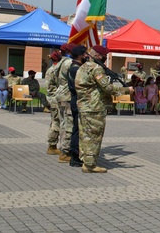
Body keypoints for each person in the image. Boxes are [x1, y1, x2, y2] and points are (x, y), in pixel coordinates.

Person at [75, 44, 131, 173]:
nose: (105, 58)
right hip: (94, 107)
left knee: (85, 135)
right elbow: (108, 88)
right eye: (104, 56)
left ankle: (86, 160)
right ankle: (90, 165)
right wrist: (127, 90)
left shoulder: (82, 67)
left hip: (84, 105)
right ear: (98, 56)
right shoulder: (97, 69)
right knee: (94, 136)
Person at [60, 44, 86, 167]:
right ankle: (75, 156)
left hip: (76, 100)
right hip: (77, 100)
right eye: (85, 54)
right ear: (80, 55)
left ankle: (75, 155)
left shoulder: (75, 66)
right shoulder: (76, 68)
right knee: (77, 129)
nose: (87, 56)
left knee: (77, 128)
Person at [54, 44, 76, 163]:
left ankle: (62, 147)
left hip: (61, 94)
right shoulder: (68, 63)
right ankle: (65, 151)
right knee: (68, 124)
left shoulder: (61, 62)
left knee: (63, 123)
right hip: (67, 96)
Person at [44, 50, 63, 154]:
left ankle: (53, 145)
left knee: (55, 121)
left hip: (53, 98)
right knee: (56, 122)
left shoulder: (51, 69)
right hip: (55, 99)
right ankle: (52, 146)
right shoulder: (55, 70)